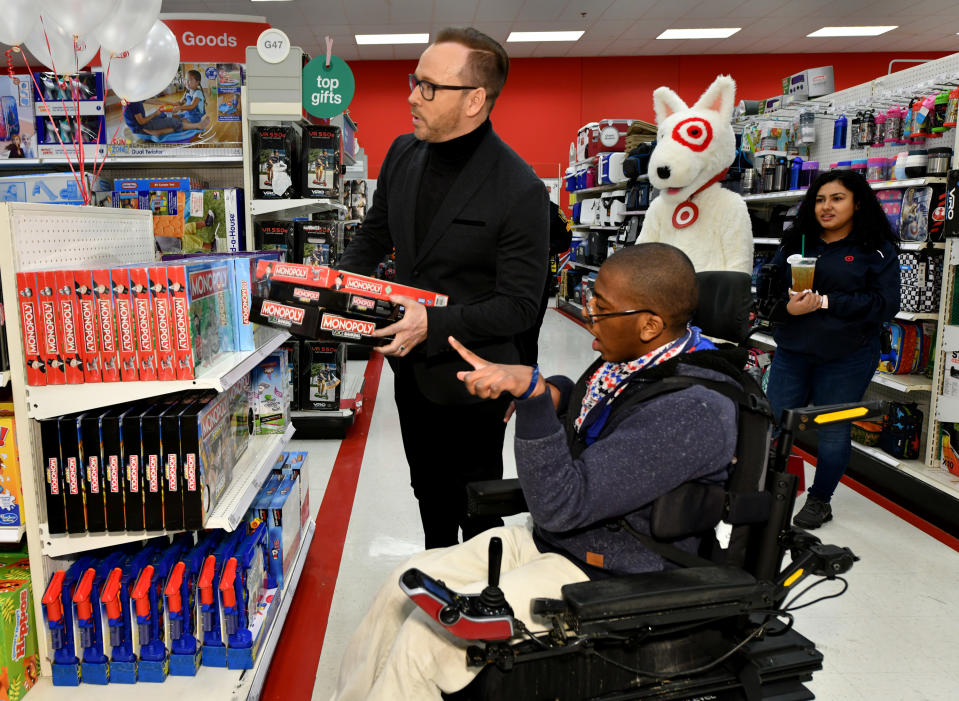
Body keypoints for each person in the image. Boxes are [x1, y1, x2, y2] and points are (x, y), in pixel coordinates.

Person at [331, 243, 741, 700]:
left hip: (609, 577)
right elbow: (608, 413)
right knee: (401, 587)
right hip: (561, 544)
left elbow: (561, 505)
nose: (588, 314)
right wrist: (557, 392)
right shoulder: (637, 364)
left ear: (650, 324)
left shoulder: (693, 411)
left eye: (601, 308)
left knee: (426, 642)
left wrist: (534, 405)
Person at [335, 27, 550, 548]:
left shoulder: (520, 188)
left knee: (475, 505)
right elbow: (372, 237)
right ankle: (437, 587)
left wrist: (433, 323)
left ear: (475, 99)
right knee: (427, 493)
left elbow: (520, 305)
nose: (412, 96)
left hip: (478, 377)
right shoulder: (403, 155)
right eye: (415, 80)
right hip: (412, 372)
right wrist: (328, 289)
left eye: (429, 86)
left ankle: (482, 608)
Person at [764, 170, 900, 529]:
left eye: (837, 198)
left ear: (857, 203)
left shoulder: (876, 248)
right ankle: (762, 490)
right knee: (772, 422)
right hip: (794, 351)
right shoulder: (797, 243)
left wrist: (826, 301)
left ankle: (820, 500)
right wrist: (787, 308)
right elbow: (767, 292)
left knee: (833, 430)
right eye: (821, 199)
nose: (827, 207)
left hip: (848, 356)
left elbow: (885, 304)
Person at [123, 100, 208, 138]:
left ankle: (159, 131)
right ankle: (198, 125)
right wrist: (154, 114)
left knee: (164, 113)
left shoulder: (136, 97)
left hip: (141, 124)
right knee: (172, 121)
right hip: (141, 128)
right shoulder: (133, 102)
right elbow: (141, 122)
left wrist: (173, 104)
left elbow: (155, 101)